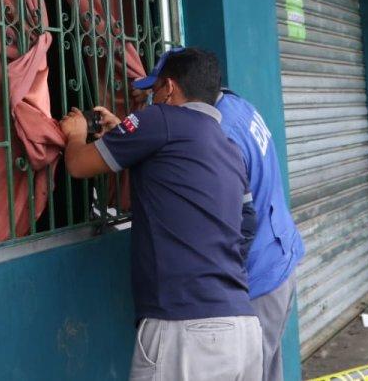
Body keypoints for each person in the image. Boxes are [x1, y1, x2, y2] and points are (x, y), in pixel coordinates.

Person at [61, 48, 261, 381]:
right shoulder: (228, 147)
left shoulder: (160, 119)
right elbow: (248, 225)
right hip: (243, 328)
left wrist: (75, 133)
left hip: (187, 331)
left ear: (169, 88)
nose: (151, 99)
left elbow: (79, 164)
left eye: (153, 91)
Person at [214, 88, 303, 381]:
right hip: (278, 258)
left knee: (250, 371)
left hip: (258, 276)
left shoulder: (220, 134)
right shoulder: (238, 105)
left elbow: (242, 221)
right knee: (266, 370)